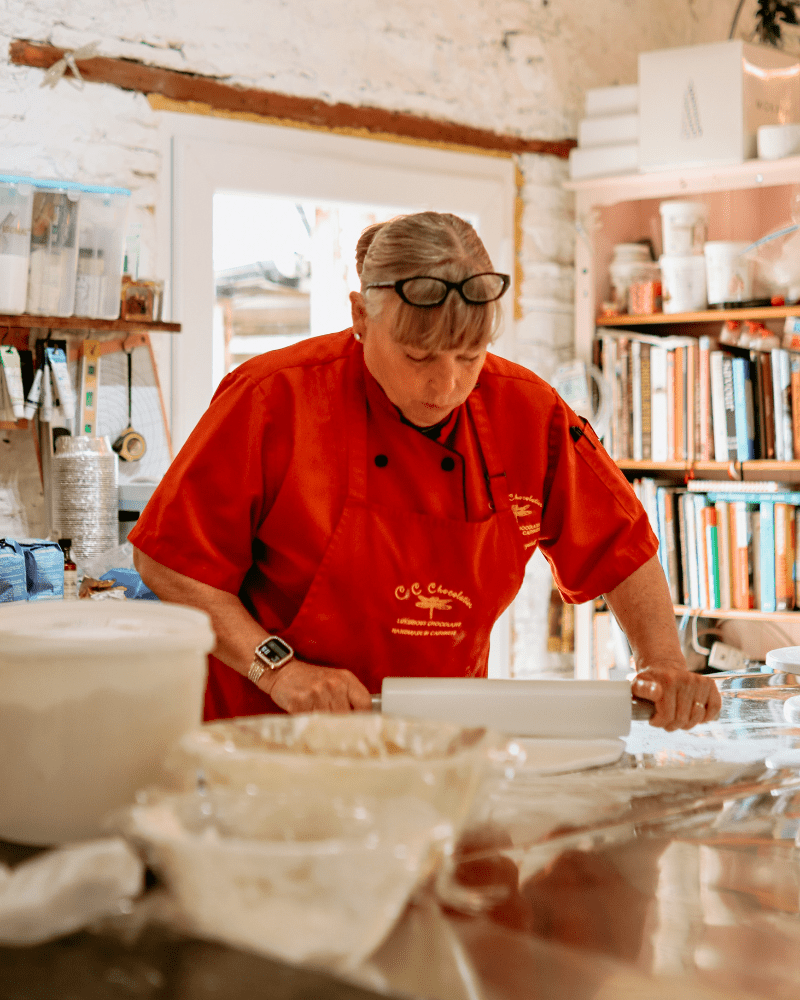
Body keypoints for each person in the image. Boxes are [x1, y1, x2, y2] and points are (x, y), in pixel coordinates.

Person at [131, 211, 721, 731]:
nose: (447, 386)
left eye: (469, 356)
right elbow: (168, 560)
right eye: (418, 357)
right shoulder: (271, 398)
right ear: (361, 315)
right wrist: (278, 669)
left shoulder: (527, 410)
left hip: (437, 739)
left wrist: (663, 663)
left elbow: (621, 545)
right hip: (270, 736)